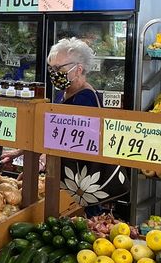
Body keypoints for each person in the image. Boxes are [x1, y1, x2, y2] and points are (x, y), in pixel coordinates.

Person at [47, 38, 128, 216]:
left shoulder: (85, 99)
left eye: (58, 69)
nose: (54, 73)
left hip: (82, 179)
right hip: (73, 180)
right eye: (51, 69)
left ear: (79, 69)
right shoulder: (65, 94)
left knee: (85, 220)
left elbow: (80, 143)